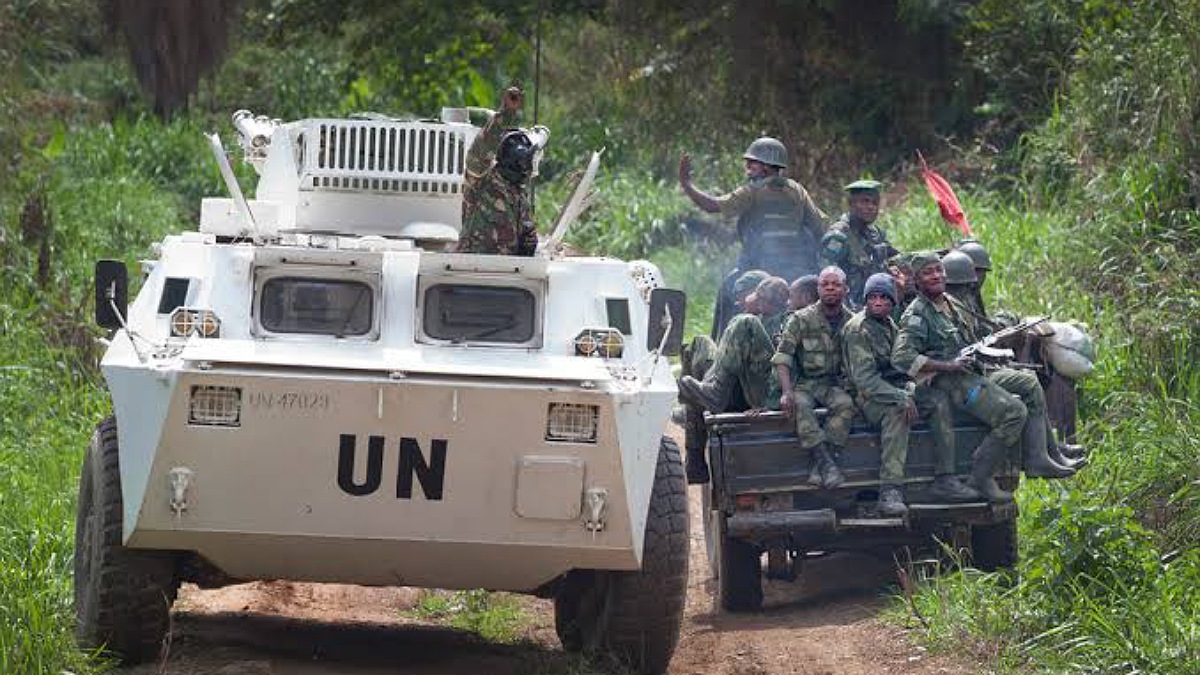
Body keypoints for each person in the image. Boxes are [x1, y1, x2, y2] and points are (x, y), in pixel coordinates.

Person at [891, 251, 1028, 502]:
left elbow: (972, 335)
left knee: (1027, 385)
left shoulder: (951, 303)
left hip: (971, 372)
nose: (935, 275)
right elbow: (901, 358)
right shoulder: (917, 315)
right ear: (918, 282)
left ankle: (1039, 456)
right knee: (1013, 413)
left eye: (938, 269)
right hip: (952, 383)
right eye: (927, 272)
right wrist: (947, 365)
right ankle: (981, 475)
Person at [842, 273, 981, 516]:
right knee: (898, 414)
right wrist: (901, 396)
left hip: (893, 388)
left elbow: (901, 367)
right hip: (869, 397)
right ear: (865, 300)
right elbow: (865, 380)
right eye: (872, 297)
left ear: (892, 302)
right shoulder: (858, 329)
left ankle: (945, 477)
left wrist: (916, 384)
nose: (878, 302)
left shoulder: (890, 325)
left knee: (937, 400)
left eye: (884, 297)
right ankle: (890, 491)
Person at [942, 250, 1081, 475]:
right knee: (1023, 392)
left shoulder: (961, 303)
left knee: (1029, 378)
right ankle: (1038, 457)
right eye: (974, 275)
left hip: (972, 370)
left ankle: (1049, 451)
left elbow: (977, 335)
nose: (977, 280)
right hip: (963, 378)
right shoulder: (948, 307)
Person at [679, 138, 826, 336]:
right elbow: (819, 226)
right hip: (798, 268)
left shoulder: (752, 191)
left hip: (757, 267)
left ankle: (720, 349)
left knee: (727, 292)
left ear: (766, 167)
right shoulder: (797, 190)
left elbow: (712, 205)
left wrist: (687, 184)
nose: (747, 166)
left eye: (753, 162)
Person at [680, 269, 769, 482]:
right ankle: (693, 398)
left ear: (757, 293)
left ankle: (695, 458)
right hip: (744, 389)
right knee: (699, 349)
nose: (740, 302)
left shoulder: (752, 323)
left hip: (745, 393)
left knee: (698, 346)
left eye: (743, 297)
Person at [772, 266, 856, 489]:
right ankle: (826, 464)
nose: (830, 288)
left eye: (836, 284)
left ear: (845, 289)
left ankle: (821, 466)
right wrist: (787, 391)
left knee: (846, 405)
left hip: (834, 385)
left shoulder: (853, 321)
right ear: (818, 289)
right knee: (800, 405)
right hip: (806, 384)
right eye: (825, 284)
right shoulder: (801, 319)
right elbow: (782, 357)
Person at [679, 276, 791, 414]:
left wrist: (770, 404)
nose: (756, 301)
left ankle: (716, 392)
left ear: (771, 301)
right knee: (701, 341)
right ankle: (695, 402)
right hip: (747, 382)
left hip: (769, 391)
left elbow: (787, 363)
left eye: (761, 298)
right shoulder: (761, 317)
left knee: (745, 321)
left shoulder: (788, 320)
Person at [457, 87, 547, 256]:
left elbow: (522, 239)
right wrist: (506, 113)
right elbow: (480, 151)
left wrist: (528, 245)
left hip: (506, 271)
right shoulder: (483, 180)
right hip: (471, 267)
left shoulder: (519, 195)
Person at [819, 179, 898, 306]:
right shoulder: (838, 236)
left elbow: (895, 257)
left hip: (877, 304)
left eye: (875, 203)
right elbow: (827, 278)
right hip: (850, 307)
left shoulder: (876, 233)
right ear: (851, 204)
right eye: (865, 201)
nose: (871, 207)